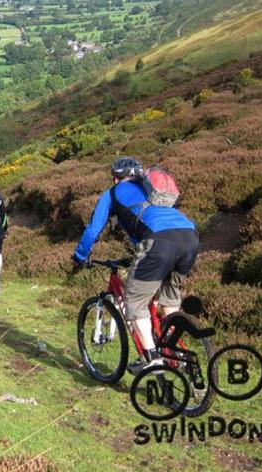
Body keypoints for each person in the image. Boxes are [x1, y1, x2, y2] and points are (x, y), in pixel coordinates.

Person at [71, 157, 198, 374]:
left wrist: (79, 256)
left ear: (115, 177)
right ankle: (172, 346)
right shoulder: (152, 190)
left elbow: (93, 229)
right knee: (169, 298)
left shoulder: (112, 193)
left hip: (158, 241)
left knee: (134, 301)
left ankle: (151, 358)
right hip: (190, 237)